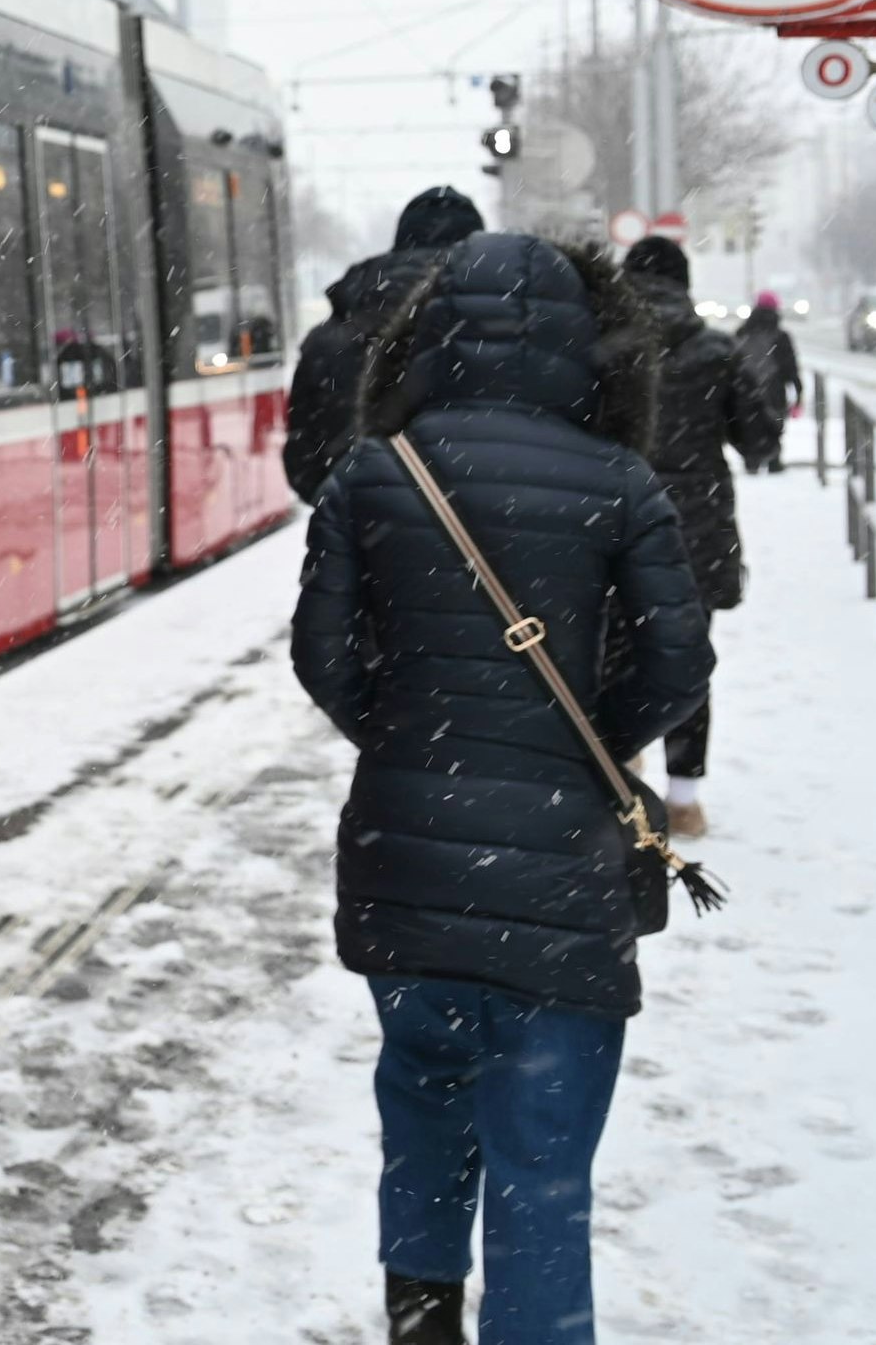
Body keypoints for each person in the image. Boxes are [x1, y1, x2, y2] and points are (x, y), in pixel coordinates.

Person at [294, 232, 713, 1345]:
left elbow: (321, 656)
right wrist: (582, 745)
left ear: (427, 336)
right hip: (562, 879)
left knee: (422, 1119)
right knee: (543, 1171)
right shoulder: (620, 482)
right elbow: (680, 662)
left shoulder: (375, 473)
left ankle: (421, 1324)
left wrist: (405, 739)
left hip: (407, 858)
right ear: (591, 344)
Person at [621, 236, 778, 836]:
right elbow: (758, 439)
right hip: (695, 527)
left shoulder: (601, 347)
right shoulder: (715, 350)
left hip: (614, 517)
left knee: (612, 649)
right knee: (685, 656)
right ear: (684, 284)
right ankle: (683, 799)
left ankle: (619, 766)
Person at [284, 186, 486, 503]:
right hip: (489, 521)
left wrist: (351, 510)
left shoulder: (330, 340)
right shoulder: (505, 328)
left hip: (365, 520)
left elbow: (303, 462)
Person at [733, 292, 804, 472]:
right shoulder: (781, 336)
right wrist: (798, 392)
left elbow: (732, 362)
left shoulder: (742, 333)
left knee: (750, 424)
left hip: (746, 388)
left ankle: (752, 461)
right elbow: (790, 367)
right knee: (774, 423)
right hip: (774, 388)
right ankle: (774, 461)